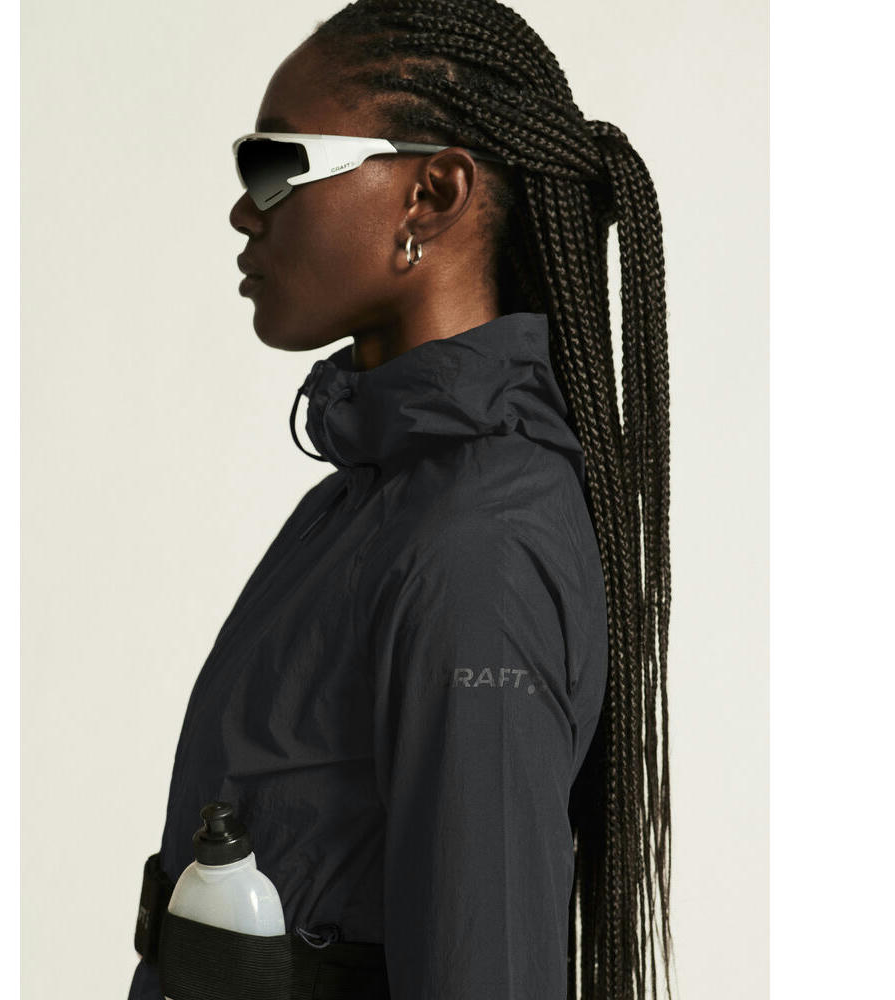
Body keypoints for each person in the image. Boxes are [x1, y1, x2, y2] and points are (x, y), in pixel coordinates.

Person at [128, 2, 673, 998]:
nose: (245, 211)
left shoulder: (476, 551)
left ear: (431, 193)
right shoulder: (359, 508)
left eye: (275, 164)